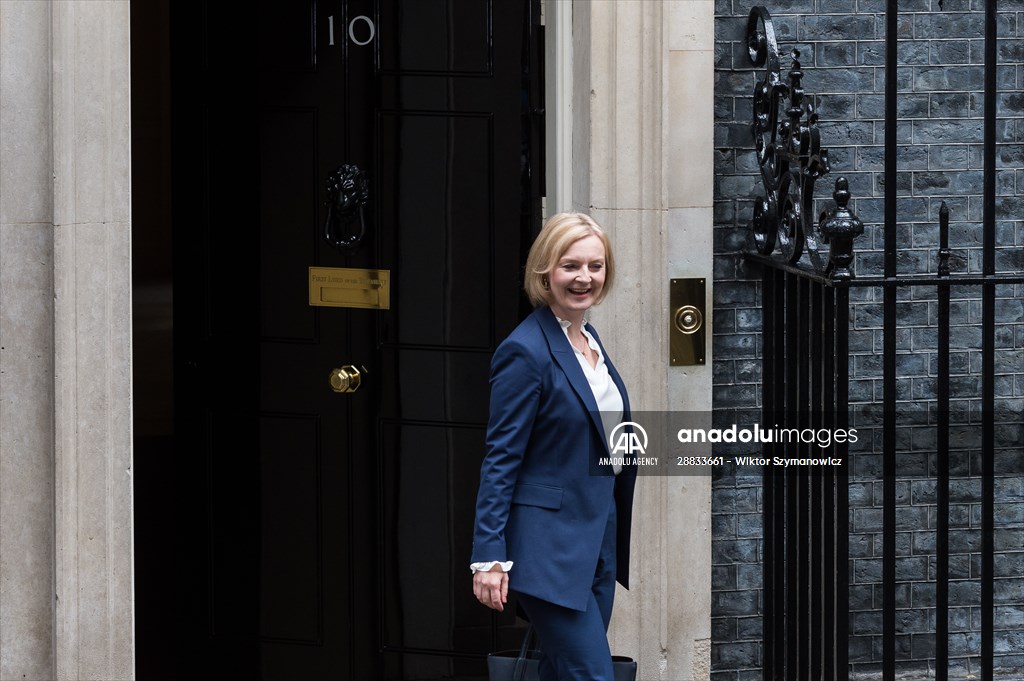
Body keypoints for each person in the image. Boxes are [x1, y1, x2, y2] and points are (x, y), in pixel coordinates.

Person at [471, 212, 636, 681]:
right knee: (591, 674)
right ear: (545, 272)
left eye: (596, 266)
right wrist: (489, 556)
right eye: (571, 266)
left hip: (596, 538)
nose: (585, 278)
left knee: (560, 673)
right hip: (547, 550)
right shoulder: (525, 350)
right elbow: (501, 459)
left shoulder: (588, 338)